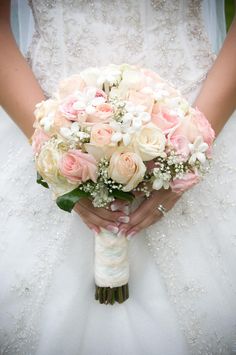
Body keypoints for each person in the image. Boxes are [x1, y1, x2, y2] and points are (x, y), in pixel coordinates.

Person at [0, 1, 236, 354]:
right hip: (42, 114)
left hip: (197, 114)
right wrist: (55, 150)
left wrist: (190, 147)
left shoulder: (192, 139)